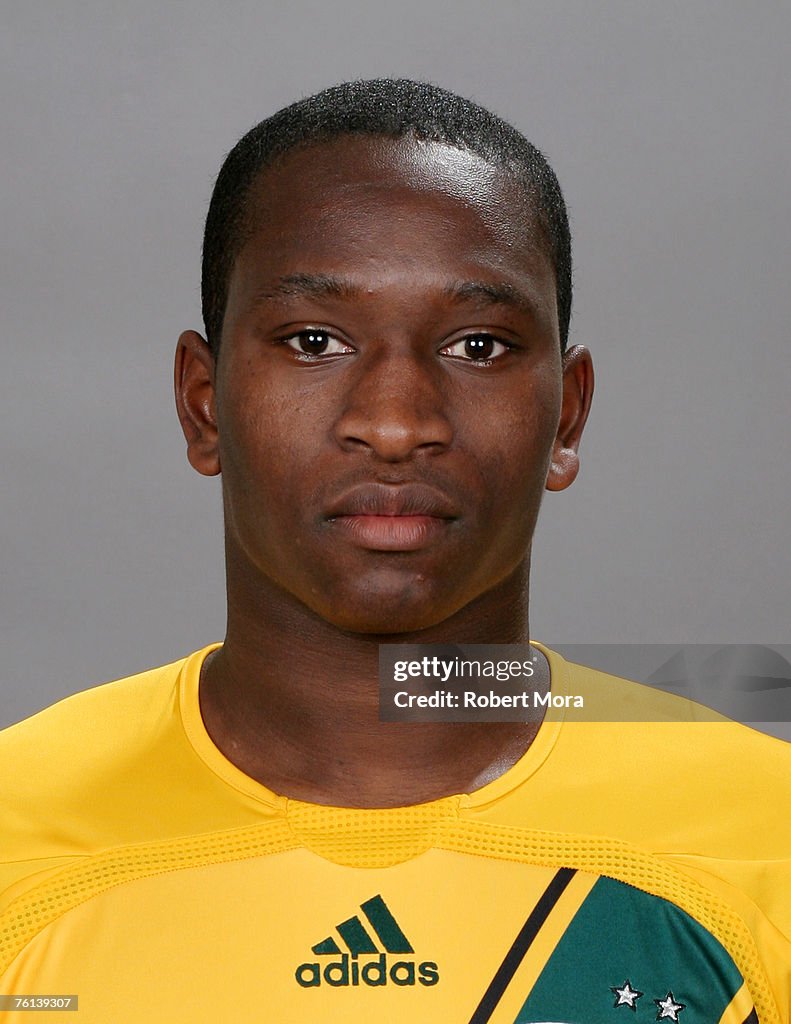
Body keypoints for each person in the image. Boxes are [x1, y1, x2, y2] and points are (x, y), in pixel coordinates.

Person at [0, 79, 788, 1024]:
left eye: (480, 346)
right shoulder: (20, 835)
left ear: (567, 415)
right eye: (314, 339)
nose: (394, 421)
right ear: (202, 403)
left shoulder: (762, 840)